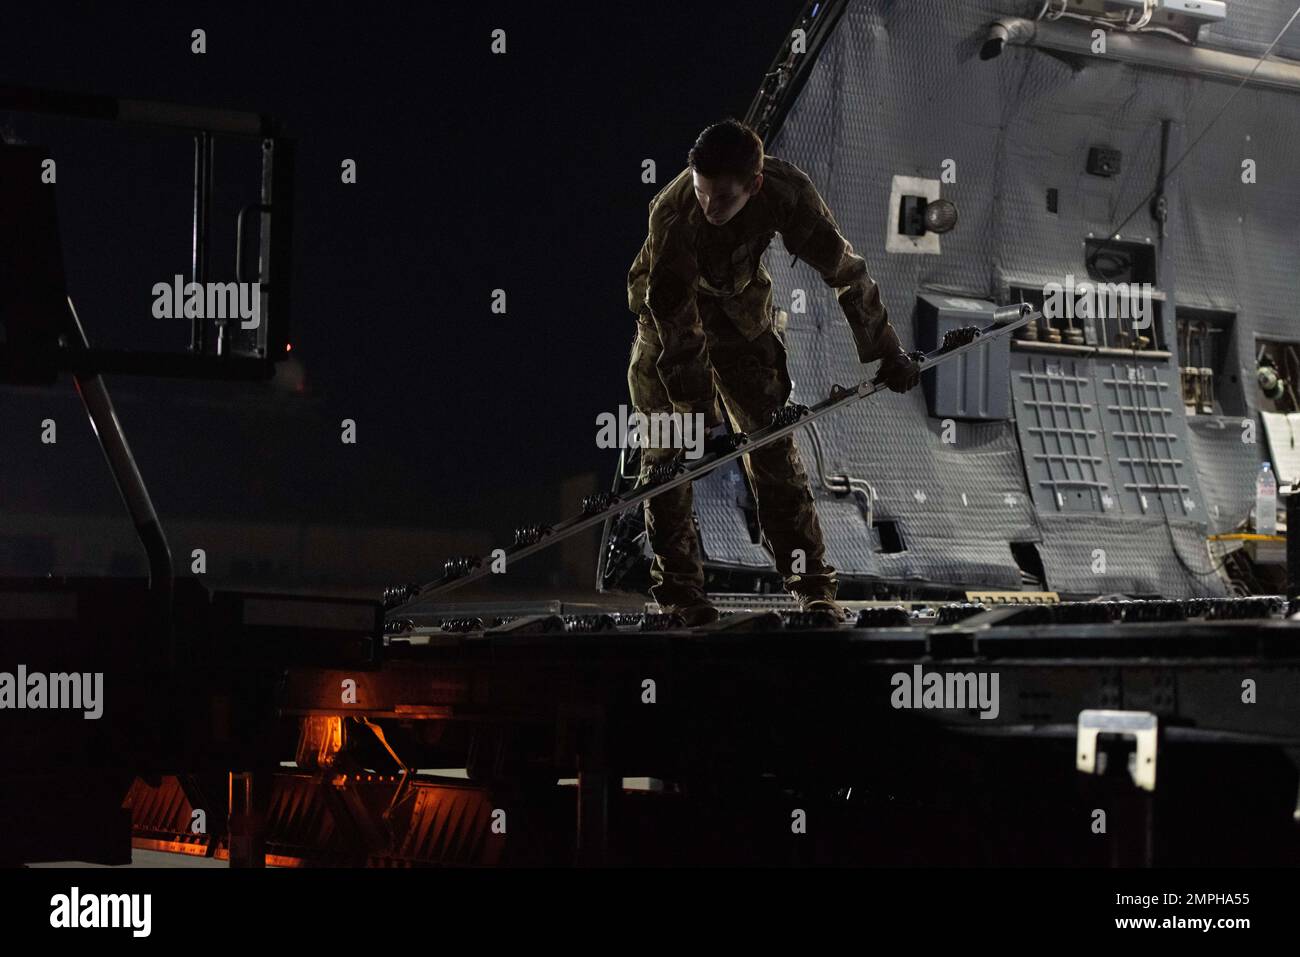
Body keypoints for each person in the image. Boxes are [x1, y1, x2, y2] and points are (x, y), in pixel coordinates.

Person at [626, 118, 920, 626]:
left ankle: (812, 589)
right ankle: (679, 593)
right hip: (665, 328)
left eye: (721, 198)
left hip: (741, 320)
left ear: (755, 185)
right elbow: (675, 320)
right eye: (700, 192)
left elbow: (845, 272)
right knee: (667, 458)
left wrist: (887, 350)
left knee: (774, 446)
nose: (707, 207)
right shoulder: (675, 213)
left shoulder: (785, 193)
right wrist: (699, 413)